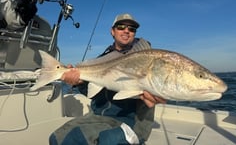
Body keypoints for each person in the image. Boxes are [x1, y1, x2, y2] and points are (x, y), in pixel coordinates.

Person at [49, 13, 166, 145]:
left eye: (132, 29)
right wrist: (78, 83)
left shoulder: (147, 58)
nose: (126, 30)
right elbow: (92, 93)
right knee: (57, 138)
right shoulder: (101, 59)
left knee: (96, 140)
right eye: (121, 27)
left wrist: (156, 93)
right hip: (98, 117)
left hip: (130, 121)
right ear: (112, 31)